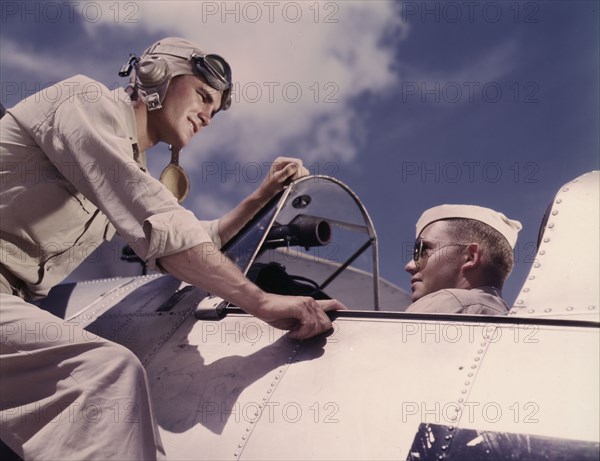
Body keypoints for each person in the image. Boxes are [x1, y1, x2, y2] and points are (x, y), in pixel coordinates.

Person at [0, 37, 344, 460]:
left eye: (215, 110)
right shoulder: (85, 103)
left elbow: (191, 240)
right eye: (203, 96)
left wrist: (262, 197)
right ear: (154, 76)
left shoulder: (125, 170)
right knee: (104, 374)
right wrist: (259, 301)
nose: (207, 115)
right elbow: (165, 228)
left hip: (12, 303)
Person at [404, 204, 522, 315]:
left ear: (471, 256)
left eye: (423, 250)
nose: (410, 266)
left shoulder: (449, 303)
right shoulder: (502, 315)